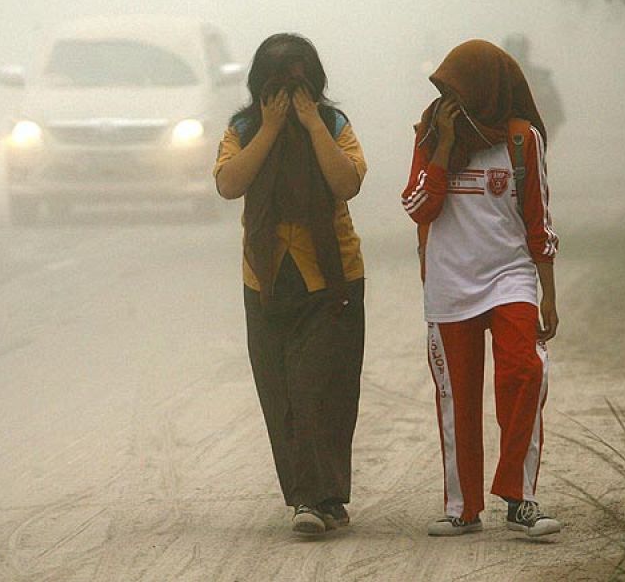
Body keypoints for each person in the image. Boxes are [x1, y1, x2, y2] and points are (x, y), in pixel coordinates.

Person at [400, 39, 561, 538]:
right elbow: (417, 206)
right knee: (457, 398)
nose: (451, 100)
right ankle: (462, 507)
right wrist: (445, 148)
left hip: (509, 278)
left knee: (525, 372)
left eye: (458, 89)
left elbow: (539, 223)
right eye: (445, 91)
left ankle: (520, 496)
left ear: (487, 89)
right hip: (449, 286)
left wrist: (548, 295)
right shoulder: (431, 135)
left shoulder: (521, 140)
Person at [214, 33, 368, 536]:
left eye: (299, 82)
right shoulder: (242, 128)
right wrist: (272, 127)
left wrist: (308, 122)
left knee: (324, 388)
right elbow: (229, 183)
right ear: (260, 86)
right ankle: (315, 497)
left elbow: (346, 182)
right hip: (266, 276)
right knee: (280, 391)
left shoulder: (333, 123)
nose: (288, 90)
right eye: (277, 83)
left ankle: (314, 497)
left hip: (332, 274)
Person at [502, 33, 565, 139]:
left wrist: (539, 139)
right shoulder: (491, 78)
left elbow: (554, 114)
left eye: (518, 51)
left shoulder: (540, 80)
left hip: (530, 143)